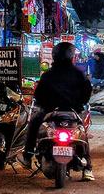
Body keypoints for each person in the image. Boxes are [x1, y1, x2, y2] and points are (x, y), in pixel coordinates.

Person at [17, 42, 95, 181]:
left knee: (34, 122)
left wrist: (44, 104)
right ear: (72, 57)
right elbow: (87, 93)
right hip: (73, 112)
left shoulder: (48, 75)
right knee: (82, 134)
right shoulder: (79, 74)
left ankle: (27, 156)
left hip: (50, 111)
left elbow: (39, 95)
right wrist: (80, 104)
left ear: (54, 57)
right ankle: (88, 168)